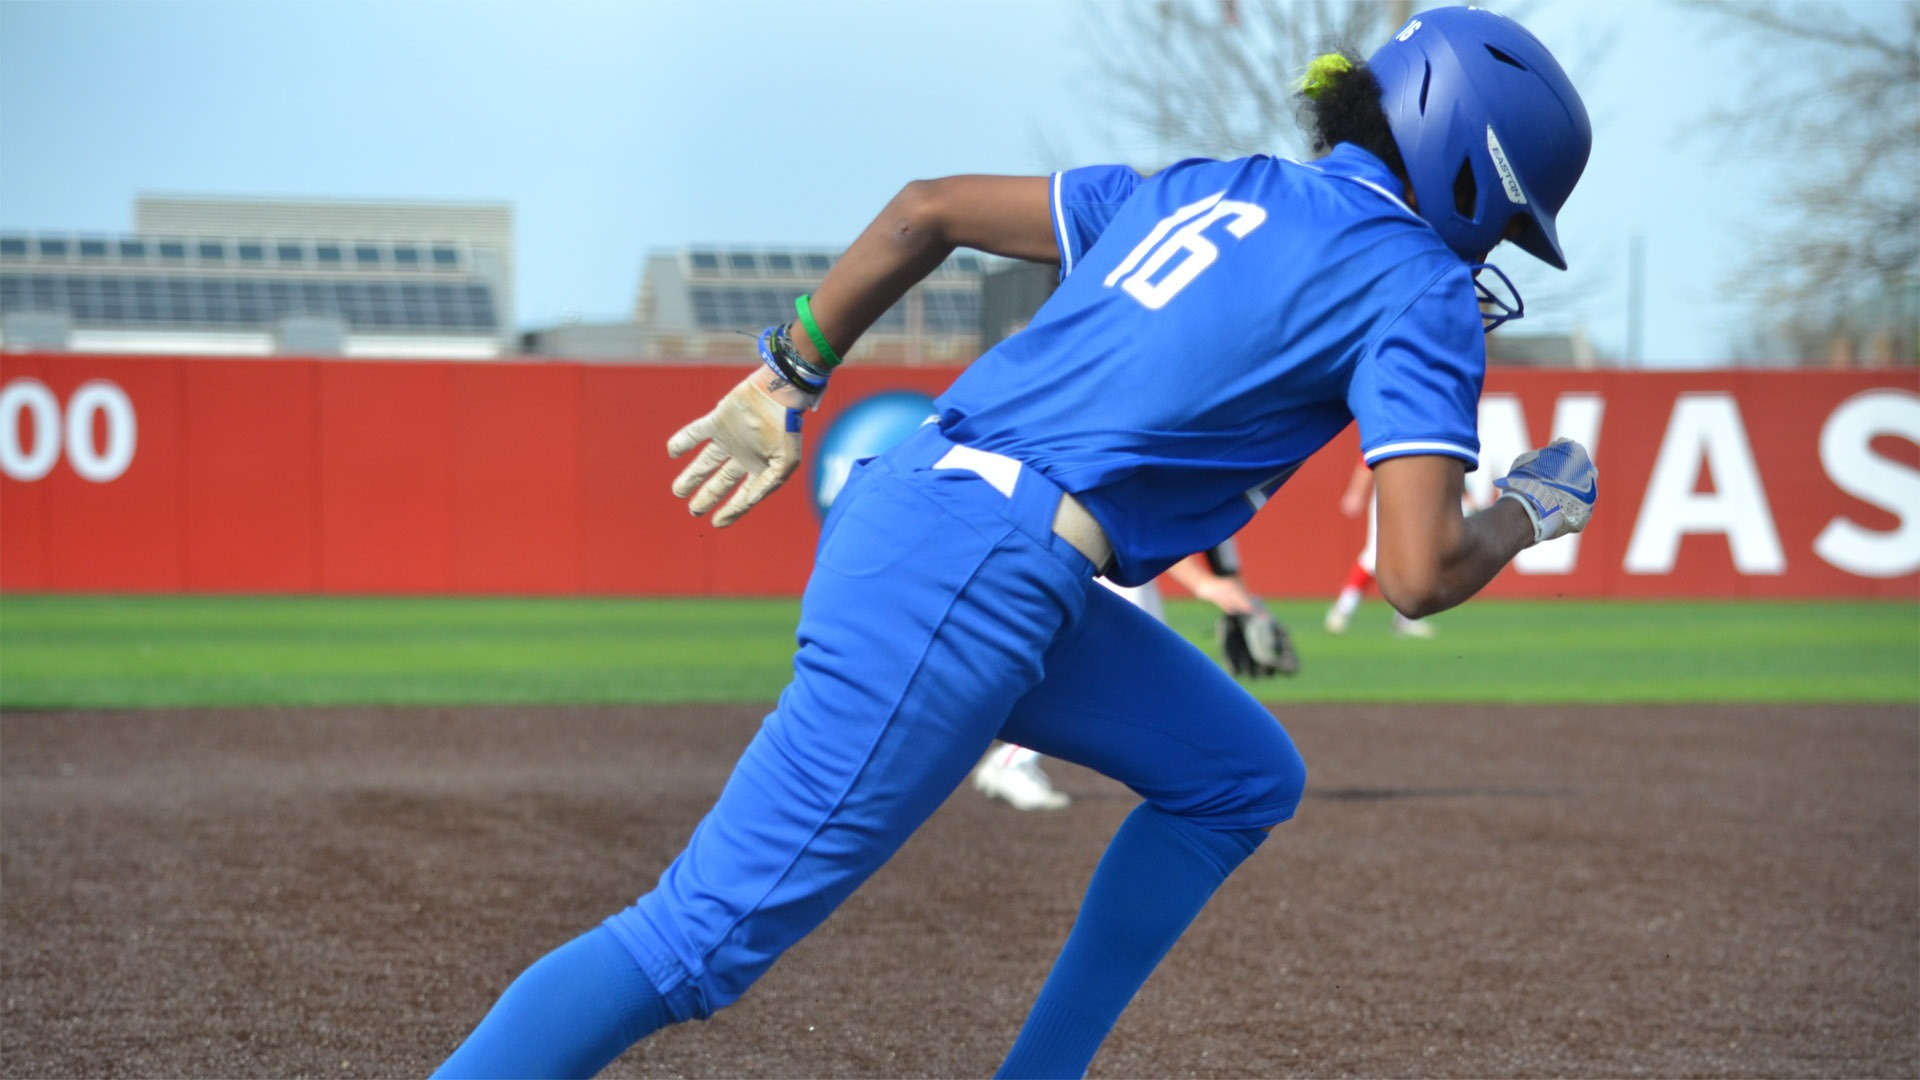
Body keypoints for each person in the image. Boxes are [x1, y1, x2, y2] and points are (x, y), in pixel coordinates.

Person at [432, 8, 1595, 1078]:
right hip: (983, 568)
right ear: (1466, 170)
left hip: (939, 518)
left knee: (1240, 776)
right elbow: (1415, 572)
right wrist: (1529, 509)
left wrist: (790, 370)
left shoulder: (1210, 183)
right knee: (696, 941)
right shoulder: (1417, 287)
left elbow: (925, 209)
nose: (1495, 245)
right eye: (1506, 214)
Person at [973, 538, 1299, 811]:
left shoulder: (1232, 472)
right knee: (1112, 675)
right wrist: (1202, 583)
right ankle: (1009, 761)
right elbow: (1154, 512)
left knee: (1146, 673)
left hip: (1117, 559)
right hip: (1103, 552)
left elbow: (1220, 547)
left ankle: (1012, 759)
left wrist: (1240, 599)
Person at [1324, 456, 1438, 637]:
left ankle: (1405, 617)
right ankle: (1344, 608)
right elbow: (1367, 458)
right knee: (1374, 554)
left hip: (1419, 493)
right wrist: (1356, 492)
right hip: (1389, 491)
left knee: (1418, 555)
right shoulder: (1397, 428)